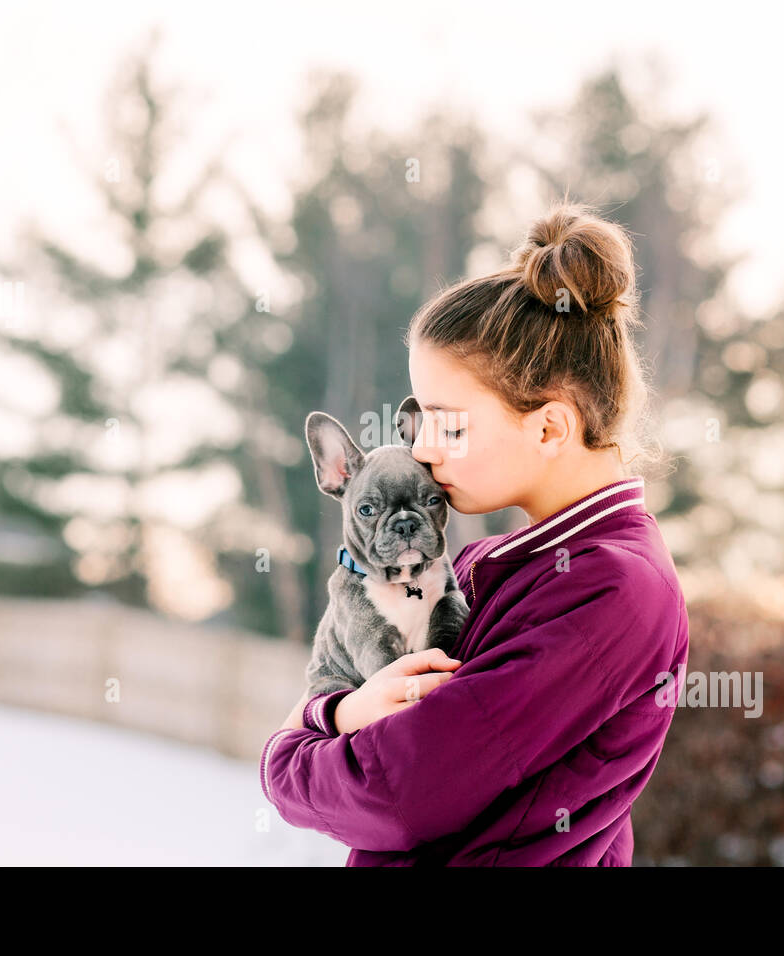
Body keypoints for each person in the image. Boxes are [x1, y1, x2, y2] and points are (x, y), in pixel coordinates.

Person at [261, 199, 689, 866]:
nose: (423, 449)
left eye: (449, 424)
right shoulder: (488, 562)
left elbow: (394, 792)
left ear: (549, 427)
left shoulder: (615, 588)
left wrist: (291, 751)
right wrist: (337, 714)